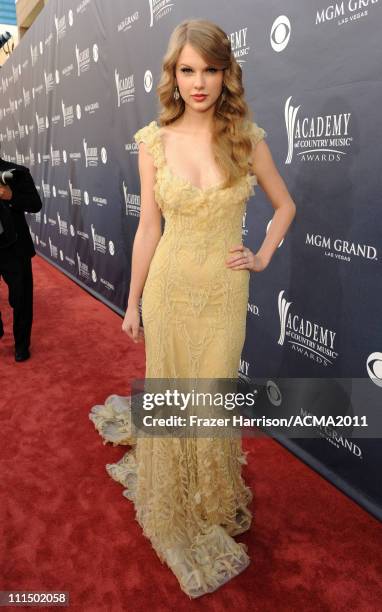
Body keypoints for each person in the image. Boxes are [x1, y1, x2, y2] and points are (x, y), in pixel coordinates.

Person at [89, 19, 296, 598]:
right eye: (187, 70)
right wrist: (131, 303)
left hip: (225, 297)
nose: (198, 82)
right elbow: (148, 228)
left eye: (210, 69)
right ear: (172, 75)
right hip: (170, 291)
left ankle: (210, 497)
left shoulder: (246, 138)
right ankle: (175, 497)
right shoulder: (153, 140)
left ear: (226, 73)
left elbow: (285, 207)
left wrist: (259, 258)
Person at [0, 157, 42, 361]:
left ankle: (22, 345)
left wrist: (11, 196)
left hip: (15, 248)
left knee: (21, 299)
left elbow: (35, 204)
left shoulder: (17, 172)